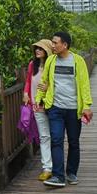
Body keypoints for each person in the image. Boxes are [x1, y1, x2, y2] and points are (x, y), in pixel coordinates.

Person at [35, 30, 93, 188]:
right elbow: (44, 81)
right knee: (56, 140)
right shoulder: (51, 61)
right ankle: (58, 176)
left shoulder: (78, 61)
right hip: (55, 108)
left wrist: (87, 106)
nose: (52, 45)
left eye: (55, 43)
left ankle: (72, 172)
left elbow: (84, 84)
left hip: (74, 109)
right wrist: (39, 99)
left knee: (73, 142)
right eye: (52, 43)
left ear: (65, 45)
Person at [22, 39, 55, 181]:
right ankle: (47, 168)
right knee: (44, 136)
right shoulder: (32, 65)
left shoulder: (53, 65)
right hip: (36, 106)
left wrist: (49, 89)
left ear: (47, 50)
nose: (37, 51)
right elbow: (29, 81)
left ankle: (57, 165)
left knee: (56, 136)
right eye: (36, 48)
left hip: (52, 105)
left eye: (40, 49)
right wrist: (25, 93)